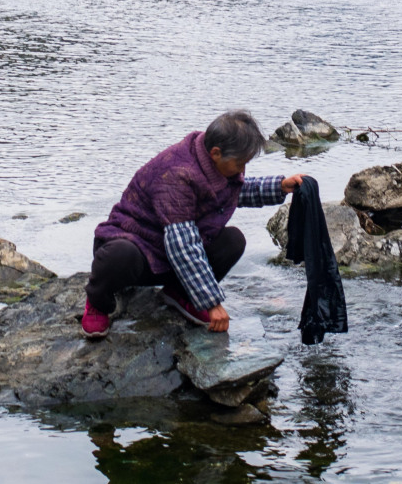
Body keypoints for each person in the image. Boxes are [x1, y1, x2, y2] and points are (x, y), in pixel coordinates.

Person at [84, 110, 303, 337]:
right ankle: (98, 303)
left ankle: (181, 294)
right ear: (216, 153)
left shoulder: (211, 158)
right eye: (240, 164)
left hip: (168, 257)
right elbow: (183, 245)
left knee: (233, 240)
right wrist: (212, 302)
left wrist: (280, 186)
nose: (242, 170)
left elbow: (233, 192)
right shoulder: (177, 174)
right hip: (139, 249)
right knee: (120, 255)